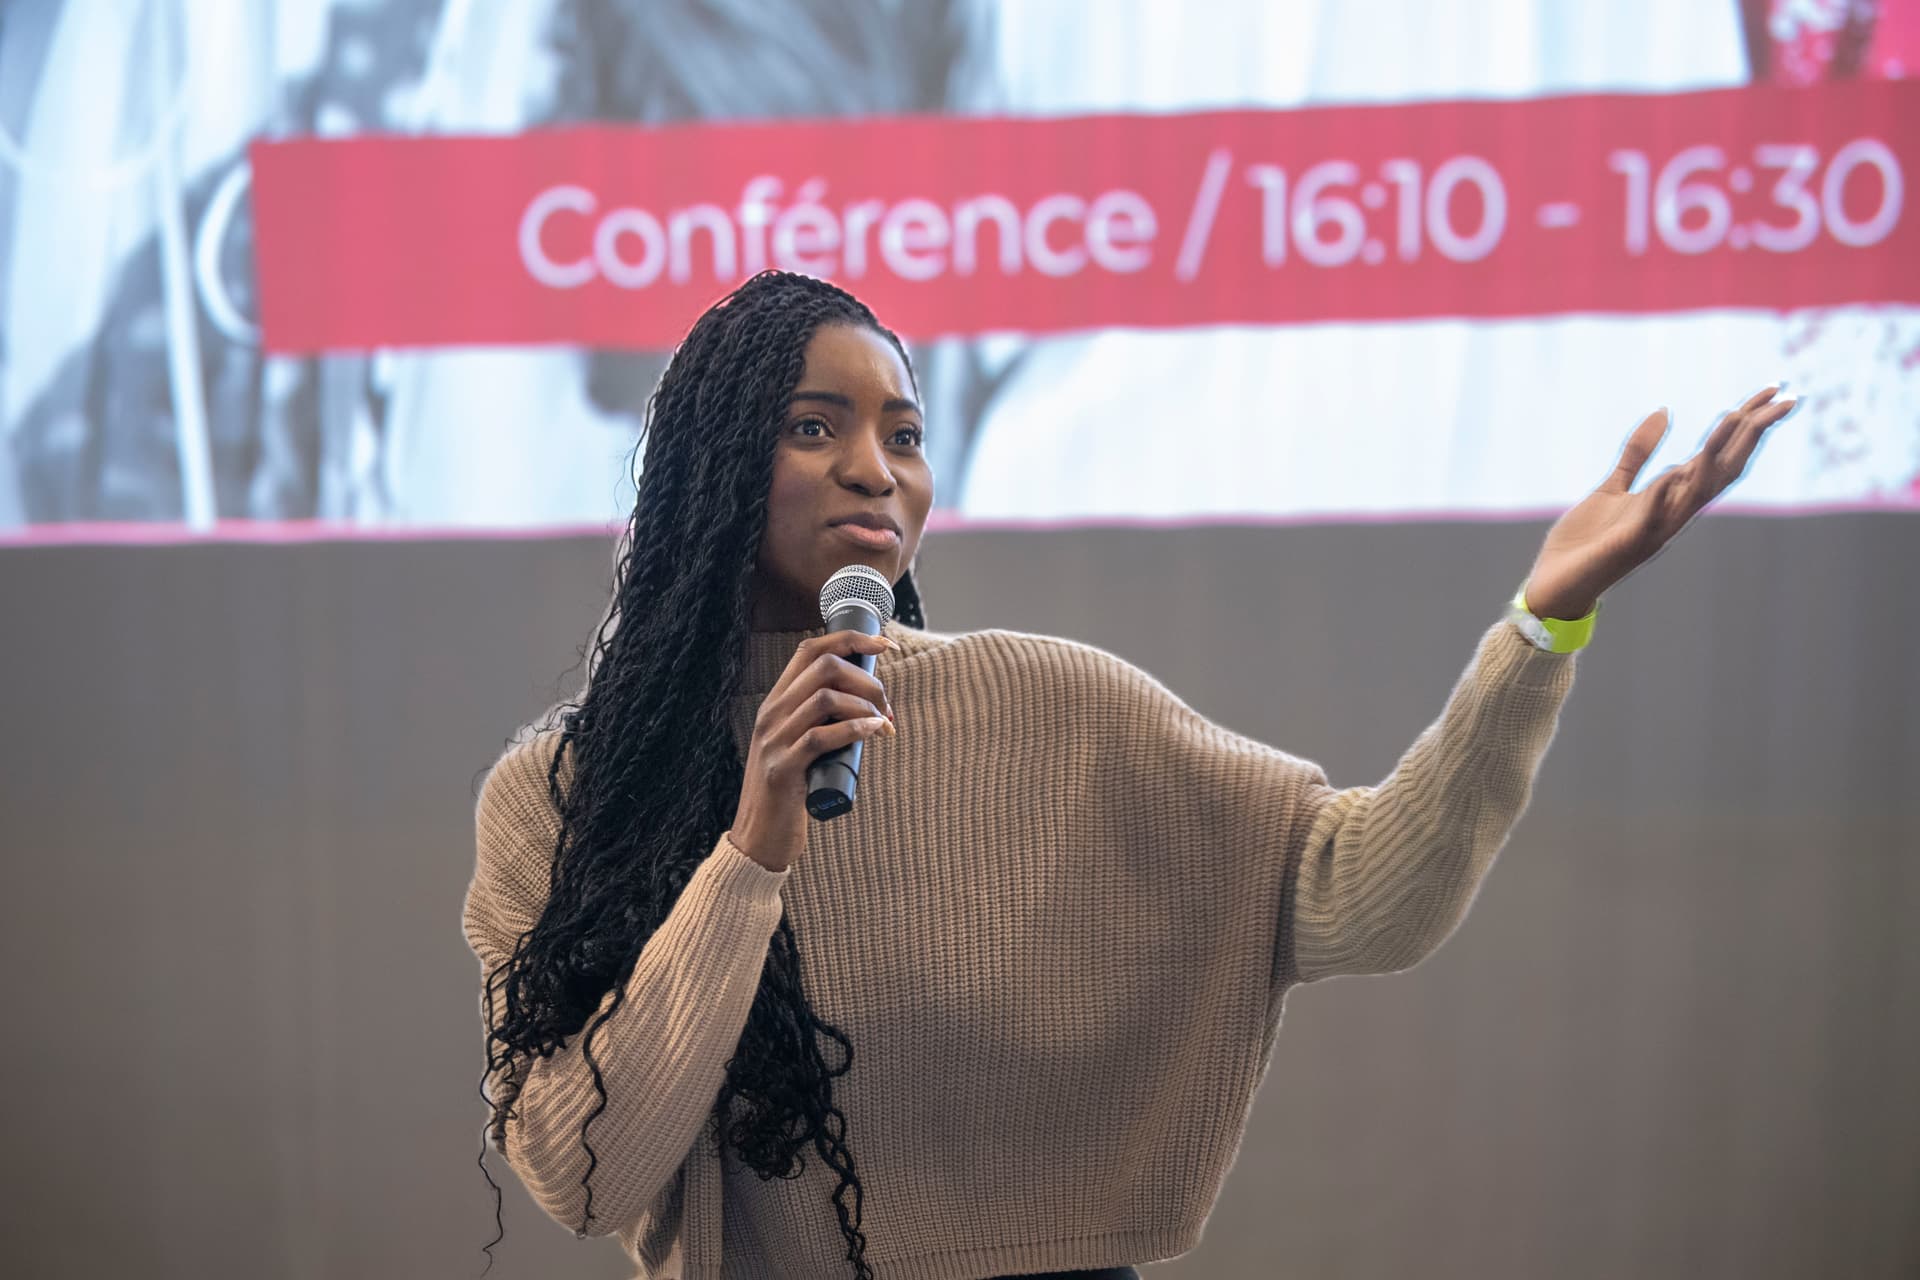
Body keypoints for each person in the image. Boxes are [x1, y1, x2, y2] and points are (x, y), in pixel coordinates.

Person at [461, 269, 1795, 1278]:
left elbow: (1361, 895)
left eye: (904, 435)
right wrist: (749, 855)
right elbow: (583, 1172)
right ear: (711, 468)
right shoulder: (569, 795)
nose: (875, 469)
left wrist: (1538, 627)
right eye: (816, 428)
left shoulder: (1056, 707)